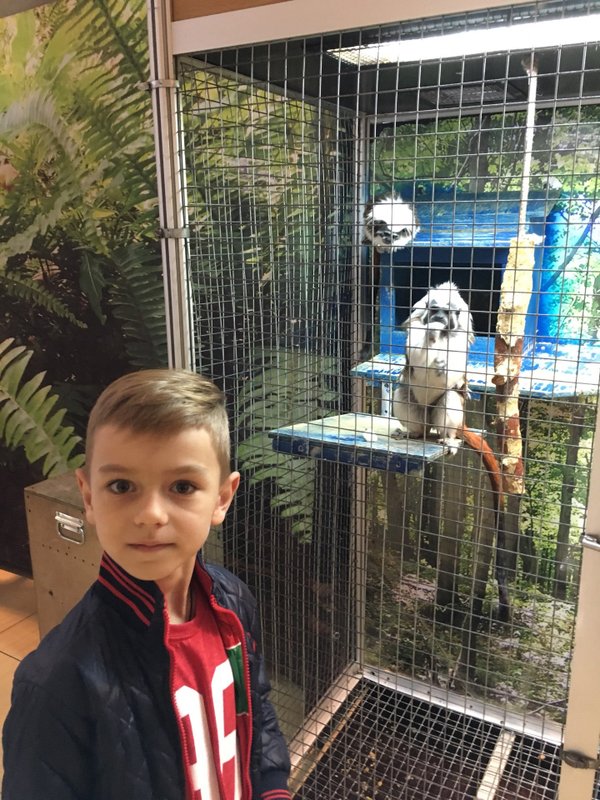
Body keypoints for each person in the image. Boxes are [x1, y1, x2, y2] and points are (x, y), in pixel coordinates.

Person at [3, 368, 291, 800]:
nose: (150, 514)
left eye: (182, 486)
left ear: (222, 498)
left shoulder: (233, 601)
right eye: (122, 486)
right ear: (88, 496)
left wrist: (272, 788)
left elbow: (256, 704)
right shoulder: (55, 682)